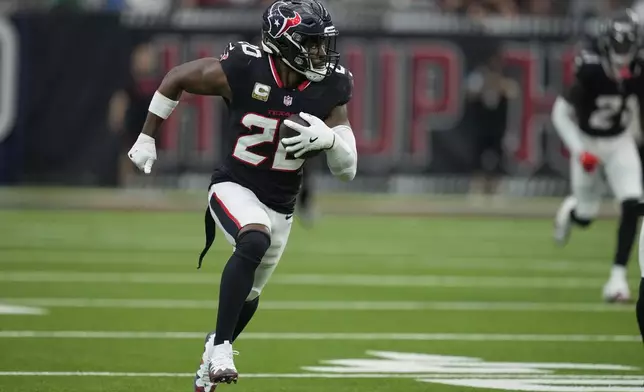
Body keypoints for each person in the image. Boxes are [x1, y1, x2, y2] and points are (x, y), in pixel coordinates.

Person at [126, 0, 357, 390]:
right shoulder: (244, 68)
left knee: (249, 294)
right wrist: (147, 135)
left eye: (322, 43)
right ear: (283, 43)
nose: (321, 52)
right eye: (312, 43)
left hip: (282, 203)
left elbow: (347, 170)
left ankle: (211, 354)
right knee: (253, 235)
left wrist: (331, 140)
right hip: (233, 184)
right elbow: (177, 77)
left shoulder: (330, 85)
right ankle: (220, 350)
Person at [552, 9, 642, 303]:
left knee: (633, 203)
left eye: (628, 46)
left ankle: (617, 280)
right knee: (587, 215)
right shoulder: (590, 69)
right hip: (589, 141)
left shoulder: (639, 68)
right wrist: (580, 151)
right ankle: (571, 212)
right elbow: (560, 113)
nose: (623, 54)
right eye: (618, 46)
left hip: (619, 141)